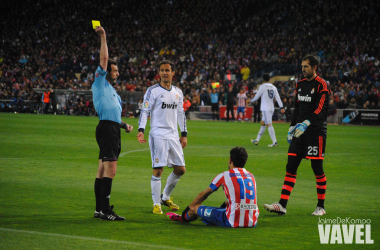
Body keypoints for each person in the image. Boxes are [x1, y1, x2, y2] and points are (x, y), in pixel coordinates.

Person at [264, 55, 330, 216]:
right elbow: (297, 107)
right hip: (299, 131)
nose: (303, 69)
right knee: (291, 166)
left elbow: (320, 109)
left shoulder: (322, 85)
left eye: (306, 66)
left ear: (314, 67)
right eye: (302, 66)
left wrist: (307, 122)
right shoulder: (299, 84)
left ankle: (321, 207)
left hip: (315, 132)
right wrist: (291, 126)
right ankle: (282, 205)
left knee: (317, 168)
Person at [92, 26, 133, 221]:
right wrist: (104, 37)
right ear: (107, 70)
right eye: (115, 70)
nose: (117, 74)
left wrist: (124, 125)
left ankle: (99, 210)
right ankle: (106, 210)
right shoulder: (100, 82)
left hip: (111, 127)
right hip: (107, 130)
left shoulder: (112, 91)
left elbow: (113, 116)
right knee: (111, 170)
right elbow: (104, 59)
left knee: (102, 170)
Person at [137, 59, 188, 215]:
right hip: (158, 133)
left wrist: (183, 134)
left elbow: (181, 114)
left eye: (167, 70)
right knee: (158, 170)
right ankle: (156, 204)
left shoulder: (178, 92)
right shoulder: (152, 91)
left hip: (173, 135)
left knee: (180, 169)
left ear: (173, 73)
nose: (165, 73)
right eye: (162, 70)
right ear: (159, 73)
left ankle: (165, 197)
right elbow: (145, 111)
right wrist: (141, 129)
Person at [166, 147, 259, 228]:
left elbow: (203, 195)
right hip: (252, 221)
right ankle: (210, 217)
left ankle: (182, 219)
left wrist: (188, 209)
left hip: (231, 221)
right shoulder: (251, 176)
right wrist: (222, 207)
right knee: (236, 200)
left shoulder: (225, 175)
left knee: (194, 208)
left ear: (230, 160)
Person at [250, 74, 285, 147]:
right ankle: (257, 140)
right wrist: (281, 107)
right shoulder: (274, 87)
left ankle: (274, 142)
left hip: (265, 108)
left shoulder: (262, 86)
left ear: (263, 79)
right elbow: (278, 98)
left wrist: (251, 100)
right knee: (263, 123)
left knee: (269, 124)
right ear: (269, 79)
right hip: (271, 108)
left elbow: (257, 96)